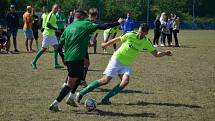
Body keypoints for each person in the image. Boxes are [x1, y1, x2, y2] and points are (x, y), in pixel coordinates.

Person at [75, 23, 172, 105]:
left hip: (126, 64)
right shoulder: (130, 34)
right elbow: (117, 39)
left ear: (146, 33)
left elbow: (155, 54)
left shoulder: (146, 42)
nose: (140, 33)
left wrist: (165, 53)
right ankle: (81, 93)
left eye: (142, 32)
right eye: (139, 30)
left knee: (125, 82)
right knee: (105, 81)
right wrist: (105, 44)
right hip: (116, 59)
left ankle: (105, 99)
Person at [49, 9, 124, 112]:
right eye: (84, 18)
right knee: (70, 83)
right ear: (81, 17)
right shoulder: (85, 24)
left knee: (80, 76)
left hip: (69, 57)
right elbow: (102, 26)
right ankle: (55, 103)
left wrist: (63, 58)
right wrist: (117, 22)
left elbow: (59, 46)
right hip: (77, 57)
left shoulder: (68, 27)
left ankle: (70, 97)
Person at [31, 4, 63, 69]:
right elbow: (48, 25)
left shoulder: (54, 15)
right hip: (47, 34)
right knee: (43, 49)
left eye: (57, 8)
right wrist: (56, 29)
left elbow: (53, 24)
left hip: (52, 34)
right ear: (52, 8)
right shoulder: (51, 15)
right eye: (55, 8)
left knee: (56, 47)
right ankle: (33, 62)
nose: (56, 9)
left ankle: (56, 64)